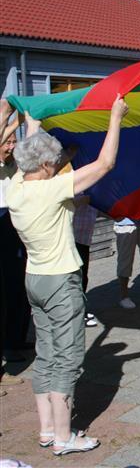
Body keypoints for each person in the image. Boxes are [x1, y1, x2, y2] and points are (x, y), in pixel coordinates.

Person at [5, 94, 128, 456]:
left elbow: (27, 149)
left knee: (45, 354)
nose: (58, 165)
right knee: (68, 358)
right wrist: (116, 117)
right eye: (54, 161)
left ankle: (46, 431)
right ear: (44, 164)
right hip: (61, 282)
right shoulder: (52, 189)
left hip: (35, 281)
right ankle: (64, 437)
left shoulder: (16, 187)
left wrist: (34, 120)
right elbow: (106, 163)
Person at [0, 101, 26, 391]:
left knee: (17, 286)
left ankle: (15, 341)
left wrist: (23, 118)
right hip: (1, 222)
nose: (11, 147)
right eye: (7, 143)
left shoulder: (12, 166)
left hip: (13, 223)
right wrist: (5, 115)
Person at [72, 194, 98, 326]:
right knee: (75, 278)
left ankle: (79, 312)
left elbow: (97, 210)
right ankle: (75, 316)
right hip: (72, 238)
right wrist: (84, 199)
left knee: (83, 277)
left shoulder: (93, 189)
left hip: (84, 238)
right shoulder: (76, 186)